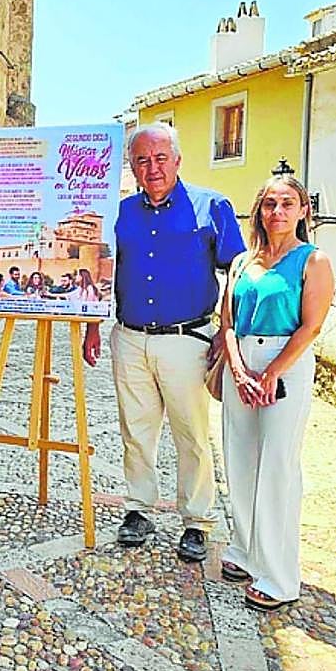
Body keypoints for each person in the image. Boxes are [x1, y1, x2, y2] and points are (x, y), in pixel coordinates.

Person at [83, 122, 246, 562]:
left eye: (159, 158)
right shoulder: (121, 213)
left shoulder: (211, 206)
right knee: (136, 431)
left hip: (187, 338)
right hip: (130, 337)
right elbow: (103, 271)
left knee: (191, 434)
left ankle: (197, 520)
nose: (151, 167)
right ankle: (138, 509)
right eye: (142, 160)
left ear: (176, 160)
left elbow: (237, 273)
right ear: (132, 166)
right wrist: (93, 325)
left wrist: (226, 331)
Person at [218, 175, 332, 611]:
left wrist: (271, 373)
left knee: (278, 467)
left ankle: (281, 576)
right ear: (259, 211)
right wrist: (239, 369)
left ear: (303, 211)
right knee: (240, 461)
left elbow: (311, 326)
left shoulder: (313, 260)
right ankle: (246, 550)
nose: (277, 212)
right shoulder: (243, 262)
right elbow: (227, 323)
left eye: (287, 204)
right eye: (269, 204)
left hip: (285, 362)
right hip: (241, 363)